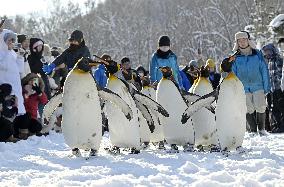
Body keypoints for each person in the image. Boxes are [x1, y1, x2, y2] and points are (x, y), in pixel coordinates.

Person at [231, 31, 270, 136]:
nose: (242, 43)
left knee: (261, 106)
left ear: (248, 41)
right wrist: (235, 89)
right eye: (239, 41)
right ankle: (253, 130)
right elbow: (233, 74)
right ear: (237, 43)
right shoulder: (234, 57)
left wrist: (267, 86)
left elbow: (264, 70)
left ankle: (261, 129)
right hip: (243, 87)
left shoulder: (257, 54)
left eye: (244, 40)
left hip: (258, 85)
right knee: (248, 108)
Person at [0, 29, 26, 115]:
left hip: (16, 87)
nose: (12, 42)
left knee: (16, 113)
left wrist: (20, 57)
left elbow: (20, 70)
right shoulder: (2, 53)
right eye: (9, 40)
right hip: (5, 88)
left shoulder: (12, 53)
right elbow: (3, 66)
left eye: (13, 40)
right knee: (7, 113)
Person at [262, 43, 284, 133]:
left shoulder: (279, 60)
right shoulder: (267, 61)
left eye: (269, 51)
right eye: (266, 51)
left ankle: (282, 125)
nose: (267, 53)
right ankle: (276, 125)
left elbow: (280, 74)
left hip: (279, 88)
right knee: (273, 107)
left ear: (273, 51)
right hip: (271, 89)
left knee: (281, 106)